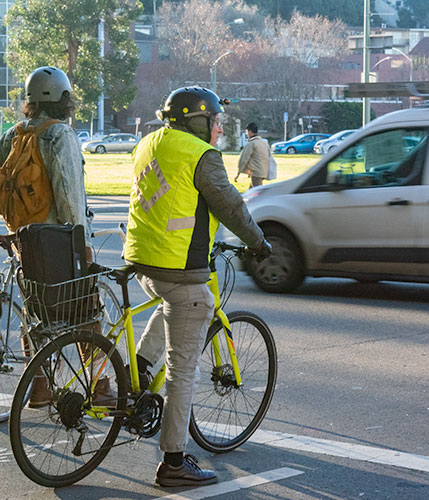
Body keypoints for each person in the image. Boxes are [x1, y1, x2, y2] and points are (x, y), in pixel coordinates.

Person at [123, 86, 271, 487]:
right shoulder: (200, 154)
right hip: (179, 266)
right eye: (215, 121)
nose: (219, 129)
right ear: (198, 121)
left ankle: (137, 371)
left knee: (170, 305)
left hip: (142, 260)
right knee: (183, 371)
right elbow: (230, 205)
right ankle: (173, 462)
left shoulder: (148, 143)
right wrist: (258, 242)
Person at [0, 66, 113, 407]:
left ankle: (40, 387)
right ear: (64, 99)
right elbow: (70, 197)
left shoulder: (12, 134)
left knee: (35, 313)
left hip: (24, 239)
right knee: (87, 311)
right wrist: (84, 246)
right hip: (58, 242)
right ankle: (100, 387)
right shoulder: (60, 135)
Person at [234, 122, 270, 188]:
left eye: (247, 132)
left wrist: (238, 173)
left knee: (257, 191)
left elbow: (244, 158)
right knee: (252, 190)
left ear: (249, 131)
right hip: (264, 172)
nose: (247, 134)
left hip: (256, 173)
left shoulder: (252, 143)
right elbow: (269, 156)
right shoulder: (264, 143)